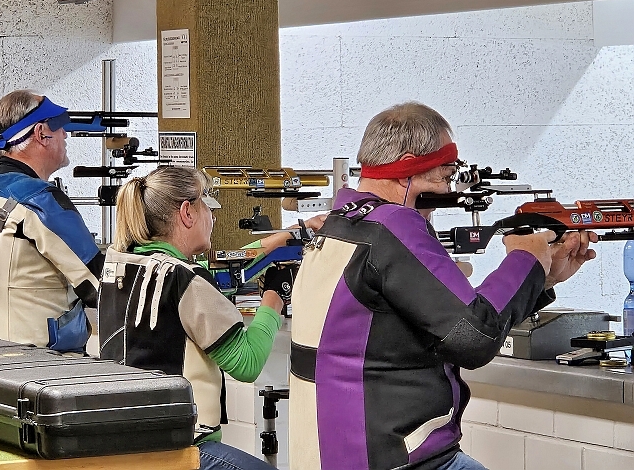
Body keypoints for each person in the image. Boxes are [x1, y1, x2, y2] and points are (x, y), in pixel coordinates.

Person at [288, 102, 597, 470]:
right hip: (402, 460)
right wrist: (524, 258)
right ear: (407, 168)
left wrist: (543, 277)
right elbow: (474, 337)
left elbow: (438, 322)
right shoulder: (393, 225)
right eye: (445, 176)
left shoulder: (340, 225)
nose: (446, 192)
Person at [98, 166, 326, 470]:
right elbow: (247, 362)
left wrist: (292, 234)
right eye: (206, 204)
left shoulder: (123, 265)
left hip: (125, 439)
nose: (213, 216)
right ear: (187, 213)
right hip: (180, 447)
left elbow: (227, 266)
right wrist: (274, 298)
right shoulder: (186, 280)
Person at [0, 90, 102, 351]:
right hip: (39, 362)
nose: (65, 134)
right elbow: (99, 284)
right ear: (41, 133)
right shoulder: (39, 200)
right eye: (59, 126)